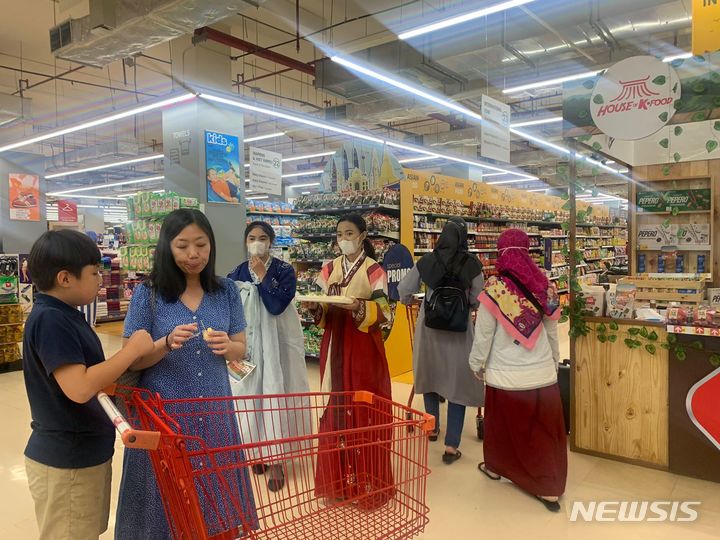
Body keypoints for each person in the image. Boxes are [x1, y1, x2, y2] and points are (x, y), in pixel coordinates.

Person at [115, 209, 257, 538]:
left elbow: (241, 348)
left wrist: (228, 346)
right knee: (162, 495)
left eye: (201, 245)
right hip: (164, 415)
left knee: (213, 486)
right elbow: (130, 360)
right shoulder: (147, 294)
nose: (193, 255)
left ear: (211, 246)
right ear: (167, 247)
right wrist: (164, 342)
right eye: (182, 246)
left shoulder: (227, 292)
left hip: (214, 411)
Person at [22, 230, 154, 540]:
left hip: (83, 454)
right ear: (65, 278)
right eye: (94, 273)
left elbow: (88, 378)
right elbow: (79, 388)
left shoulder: (65, 315)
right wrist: (131, 351)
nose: (100, 279)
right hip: (68, 460)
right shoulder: (51, 320)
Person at [469, 228, 566, 513]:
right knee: (543, 434)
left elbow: (483, 335)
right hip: (541, 375)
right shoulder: (545, 286)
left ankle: (497, 468)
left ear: (501, 253)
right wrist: (554, 362)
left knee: (502, 430)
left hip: (505, 377)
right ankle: (548, 487)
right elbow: (552, 331)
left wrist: (476, 364)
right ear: (528, 252)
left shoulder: (494, 290)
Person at [302, 214, 394, 509]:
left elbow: (385, 311)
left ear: (363, 235)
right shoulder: (328, 268)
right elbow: (320, 308)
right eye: (340, 233)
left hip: (362, 345)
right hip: (334, 344)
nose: (344, 238)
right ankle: (337, 482)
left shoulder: (374, 270)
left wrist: (359, 306)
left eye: (350, 232)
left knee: (363, 406)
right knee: (335, 405)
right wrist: (314, 305)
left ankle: (368, 481)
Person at [227, 221, 310, 492]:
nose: (257, 242)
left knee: (276, 392)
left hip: (278, 343)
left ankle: (277, 460)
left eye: (263, 238)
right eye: (252, 237)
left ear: (271, 242)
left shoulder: (285, 270)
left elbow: (276, 305)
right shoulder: (236, 273)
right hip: (248, 344)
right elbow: (228, 309)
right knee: (249, 395)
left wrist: (263, 276)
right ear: (245, 241)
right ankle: (256, 451)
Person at [398, 217, 485, 464]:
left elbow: (405, 288)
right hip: (459, 330)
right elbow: (478, 298)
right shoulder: (472, 264)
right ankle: (451, 445)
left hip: (430, 328)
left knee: (431, 373)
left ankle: (432, 428)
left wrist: (408, 301)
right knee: (457, 382)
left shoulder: (428, 260)